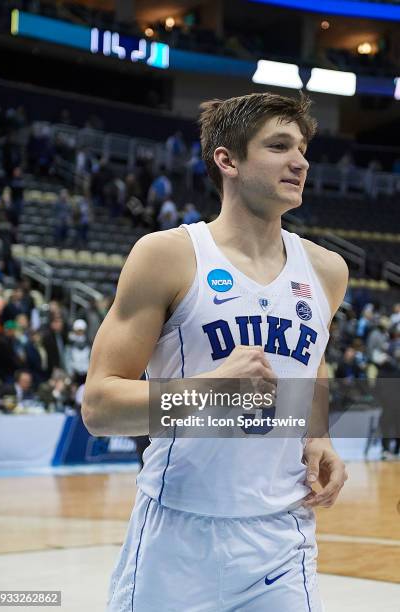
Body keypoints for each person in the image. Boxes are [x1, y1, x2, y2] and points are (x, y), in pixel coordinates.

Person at [82, 93, 348, 611]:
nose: (300, 161)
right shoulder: (167, 255)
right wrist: (206, 393)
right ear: (227, 160)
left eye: (302, 148)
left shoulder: (327, 271)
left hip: (282, 536)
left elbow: (311, 360)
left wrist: (319, 433)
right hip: (177, 534)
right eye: (278, 146)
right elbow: (99, 407)